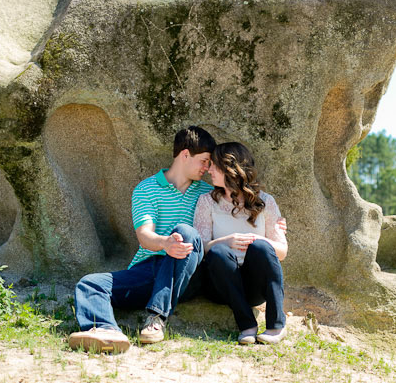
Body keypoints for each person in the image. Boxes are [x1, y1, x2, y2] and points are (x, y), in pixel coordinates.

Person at [67, 126, 216, 353]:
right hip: (149, 270)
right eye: (204, 161)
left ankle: (155, 318)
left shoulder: (207, 193)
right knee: (90, 284)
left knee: (186, 232)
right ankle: (107, 332)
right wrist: (166, 243)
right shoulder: (147, 189)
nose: (207, 168)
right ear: (185, 154)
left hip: (187, 271)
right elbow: (145, 236)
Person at [193, 142, 288, 345]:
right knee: (218, 250)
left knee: (262, 247)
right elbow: (200, 248)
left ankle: (276, 326)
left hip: (254, 288)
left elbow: (282, 251)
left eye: (214, 166)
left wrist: (260, 239)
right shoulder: (206, 202)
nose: (209, 170)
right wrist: (226, 241)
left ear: (230, 169)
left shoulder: (266, 202)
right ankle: (247, 325)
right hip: (221, 284)